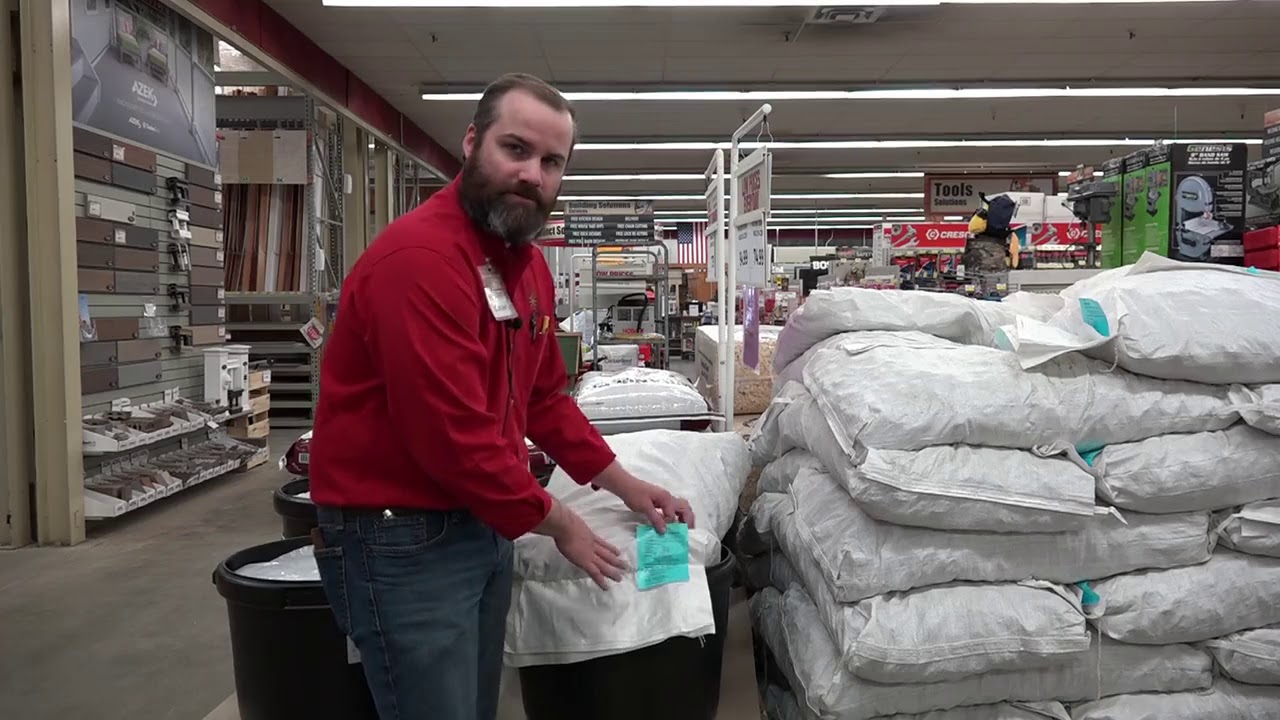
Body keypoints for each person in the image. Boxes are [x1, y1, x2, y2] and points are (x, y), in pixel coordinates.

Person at [307, 73, 696, 720]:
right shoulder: (420, 261)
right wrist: (561, 522)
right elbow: (452, 441)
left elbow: (543, 399)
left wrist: (625, 485)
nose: (532, 175)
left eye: (551, 162)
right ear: (471, 142)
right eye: (515, 149)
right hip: (401, 536)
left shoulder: (525, 266)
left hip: (482, 519)